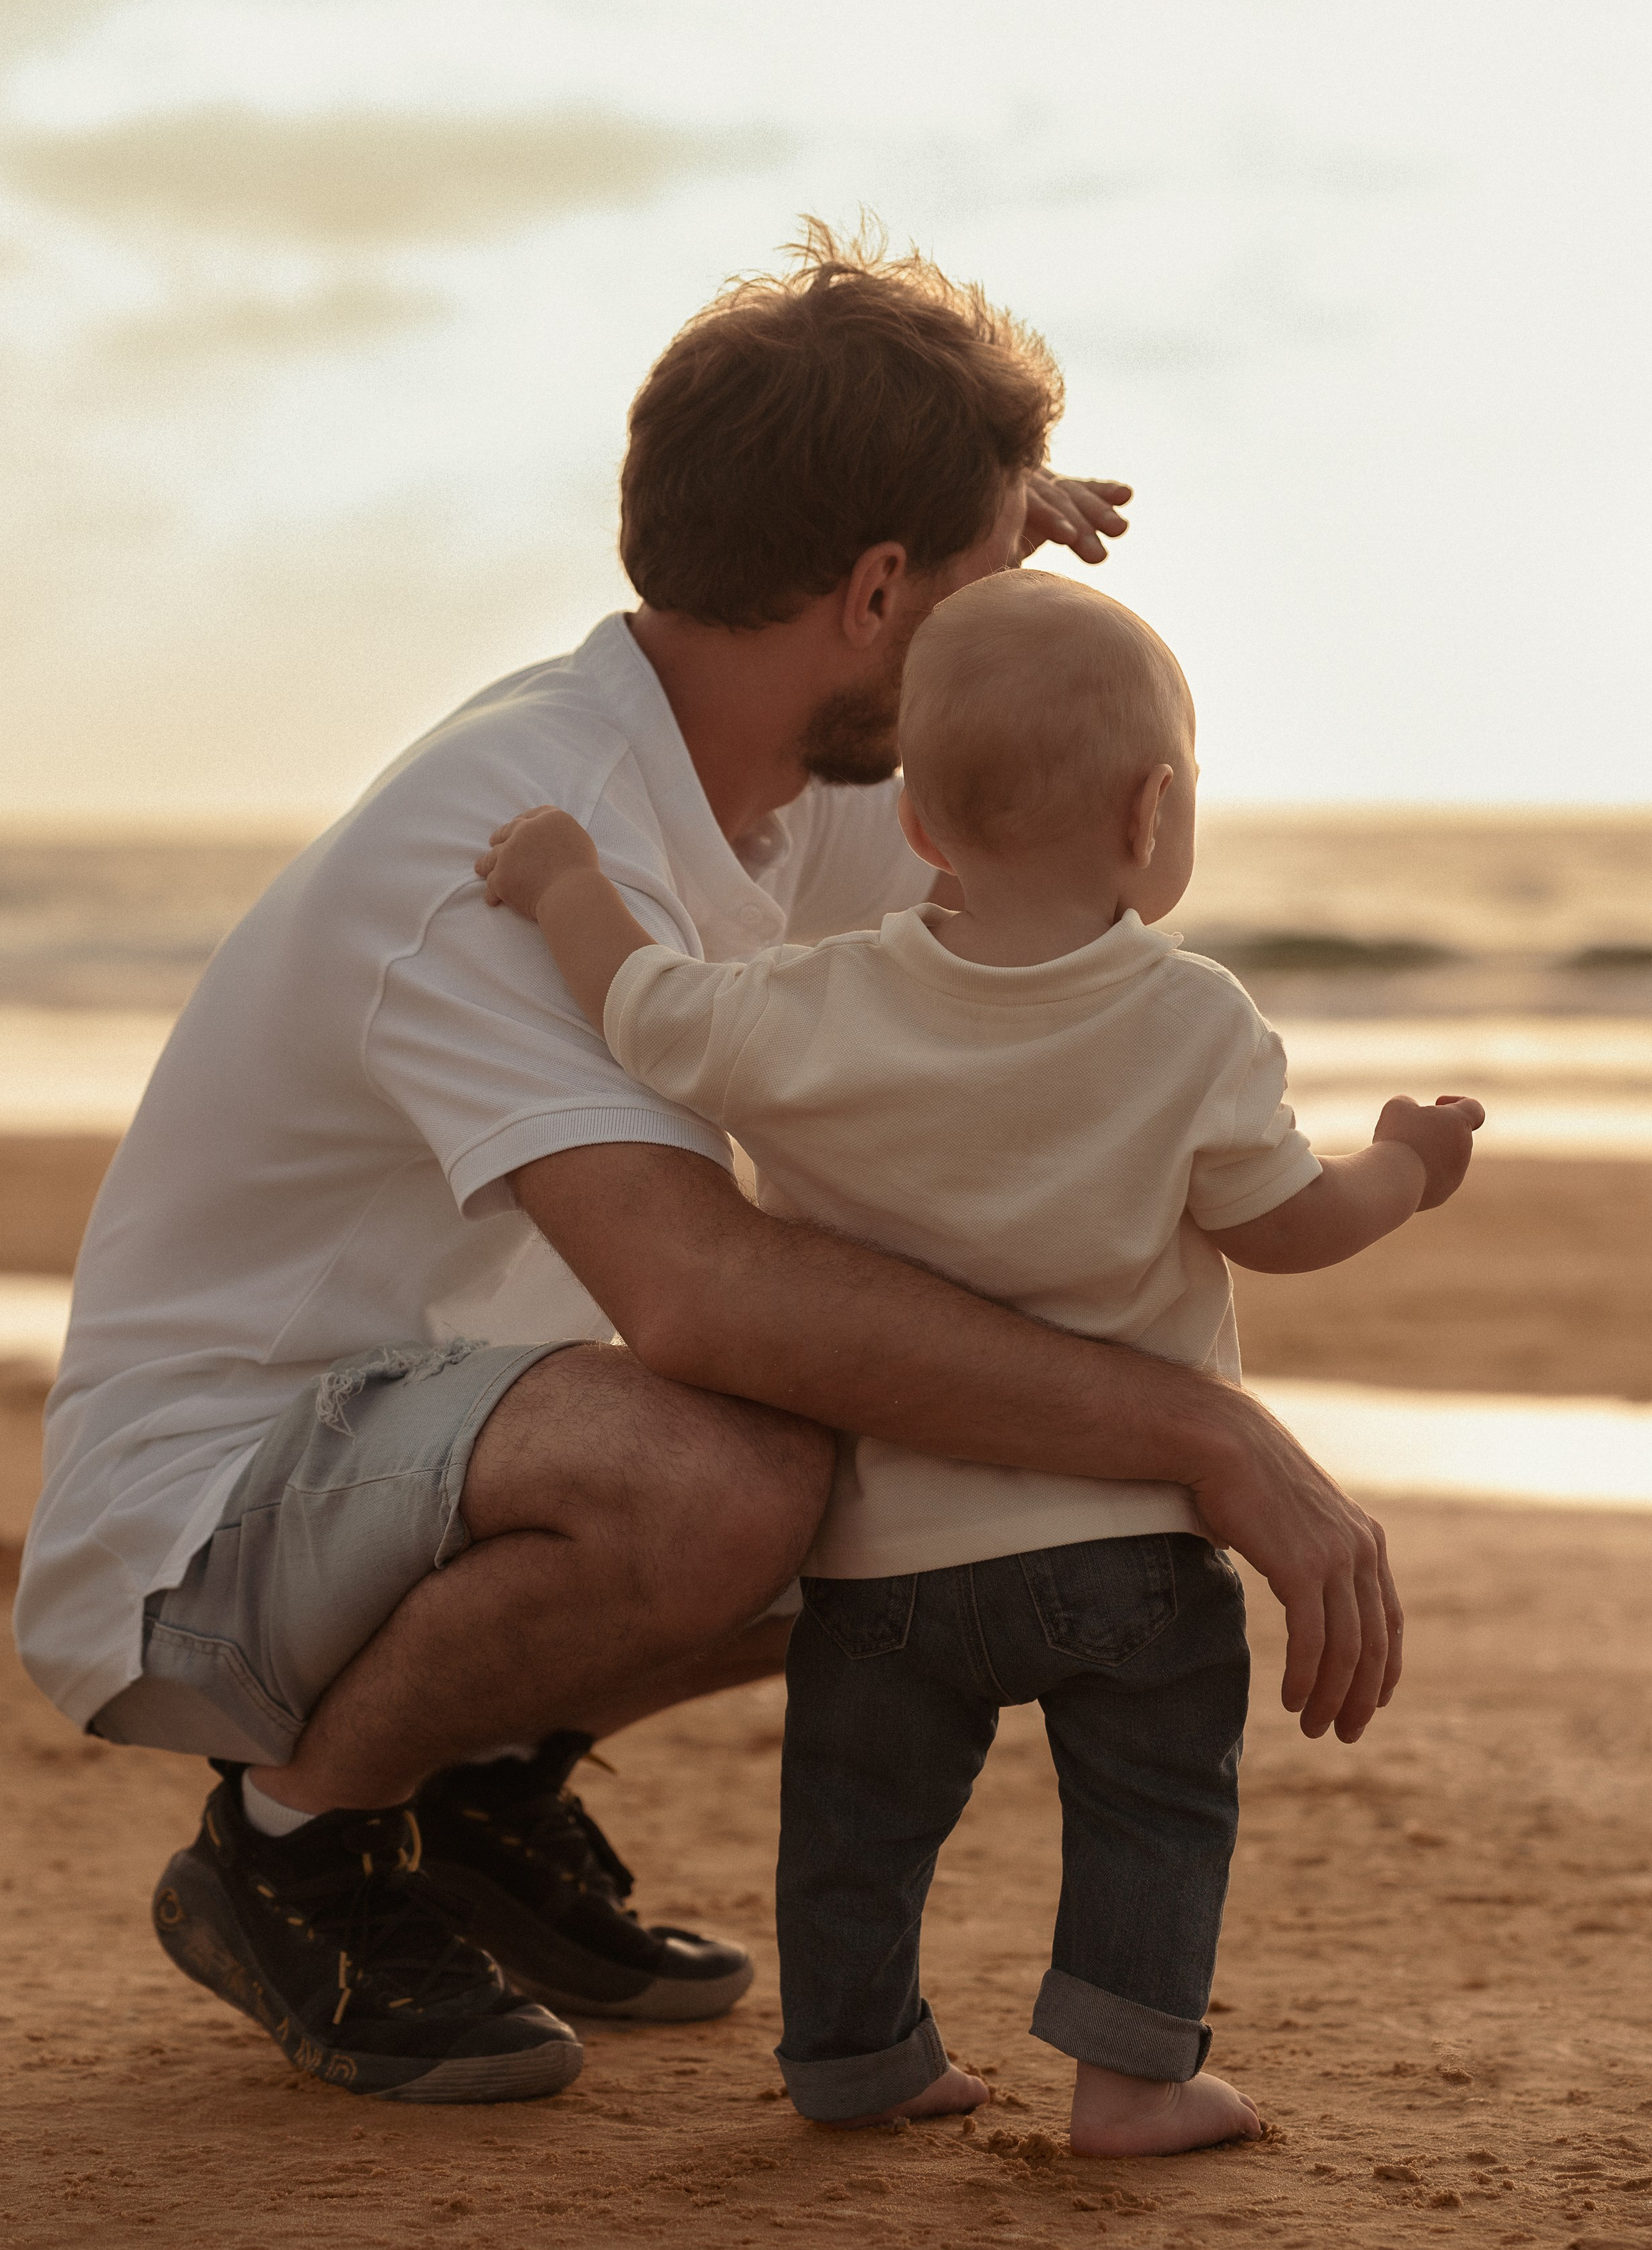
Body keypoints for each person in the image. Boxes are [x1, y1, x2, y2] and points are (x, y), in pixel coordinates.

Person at [15, 227, 1401, 2110]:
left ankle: (476, 1784)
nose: (1005, 620)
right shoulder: (519, 836)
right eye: (977, 583)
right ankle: (295, 1840)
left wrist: (996, 534)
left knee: (914, 1438)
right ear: (874, 590)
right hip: (209, 1524)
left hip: (454, 1452)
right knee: (738, 1463)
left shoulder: (795, 778)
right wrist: (1208, 1433)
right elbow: (703, 1292)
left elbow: (1022, 890)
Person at [471, 570, 1482, 2153]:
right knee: (1153, 1803)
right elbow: (1287, 1223)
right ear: (1152, 813)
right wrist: (1404, 1168)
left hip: (882, 1559)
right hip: (1131, 1550)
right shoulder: (1192, 1021)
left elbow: (642, 1013)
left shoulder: (813, 1003)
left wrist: (559, 878)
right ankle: (1133, 2077)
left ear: (923, 827)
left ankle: (858, 2060)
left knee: (857, 1823)